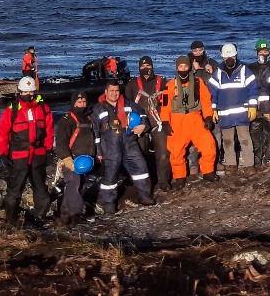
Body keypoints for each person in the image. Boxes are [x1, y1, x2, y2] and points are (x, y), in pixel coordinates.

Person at [0, 75, 53, 227]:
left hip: (38, 156)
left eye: (31, 92)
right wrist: (3, 153)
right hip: (19, 157)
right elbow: (2, 134)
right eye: (26, 92)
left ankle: (40, 217)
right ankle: (10, 219)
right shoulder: (12, 110)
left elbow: (49, 132)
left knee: (41, 190)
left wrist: (47, 151)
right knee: (14, 191)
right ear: (19, 92)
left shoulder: (43, 108)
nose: (29, 95)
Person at [92, 80, 156, 213]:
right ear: (106, 92)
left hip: (129, 144)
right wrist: (98, 152)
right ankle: (108, 204)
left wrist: (143, 125)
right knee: (110, 176)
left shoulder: (128, 104)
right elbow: (96, 133)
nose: (115, 94)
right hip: (110, 148)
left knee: (141, 169)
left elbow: (142, 114)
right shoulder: (98, 109)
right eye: (112, 91)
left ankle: (144, 196)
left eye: (117, 91)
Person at [160, 55, 220, 187]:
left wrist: (208, 116)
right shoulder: (170, 86)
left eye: (185, 66)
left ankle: (208, 171)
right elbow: (165, 106)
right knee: (176, 151)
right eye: (180, 67)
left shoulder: (198, 82)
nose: (183, 69)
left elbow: (205, 100)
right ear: (176, 68)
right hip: (177, 120)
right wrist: (165, 122)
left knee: (209, 144)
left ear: (189, 68)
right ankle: (179, 177)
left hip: (195, 118)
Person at [208, 43, 258, 174]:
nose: (229, 58)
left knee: (245, 139)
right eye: (226, 56)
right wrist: (213, 109)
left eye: (232, 55)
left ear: (236, 55)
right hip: (225, 115)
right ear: (223, 57)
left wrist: (253, 106)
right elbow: (212, 93)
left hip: (242, 113)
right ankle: (231, 164)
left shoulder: (244, 70)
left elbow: (253, 90)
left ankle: (249, 164)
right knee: (228, 140)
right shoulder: (218, 73)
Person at [125, 56, 172, 191]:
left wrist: (167, 121)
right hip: (139, 126)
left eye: (148, 66)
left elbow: (169, 103)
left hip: (158, 123)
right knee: (140, 154)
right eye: (143, 67)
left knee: (163, 153)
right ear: (139, 68)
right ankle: (145, 181)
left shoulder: (162, 82)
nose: (146, 69)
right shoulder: (132, 85)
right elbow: (127, 107)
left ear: (152, 66)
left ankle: (163, 180)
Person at [54, 91, 97, 225]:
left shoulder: (89, 118)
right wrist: (67, 159)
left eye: (84, 102)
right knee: (74, 184)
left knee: (76, 185)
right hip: (72, 160)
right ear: (74, 103)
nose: (82, 105)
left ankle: (65, 214)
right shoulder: (66, 120)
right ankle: (77, 213)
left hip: (86, 160)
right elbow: (61, 141)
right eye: (79, 102)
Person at [246, 40, 270, 167]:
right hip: (255, 106)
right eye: (260, 51)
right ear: (256, 52)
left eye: (265, 51)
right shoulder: (250, 68)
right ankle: (257, 157)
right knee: (254, 132)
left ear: (269, 52)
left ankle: (269, 157)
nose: (263, 54)